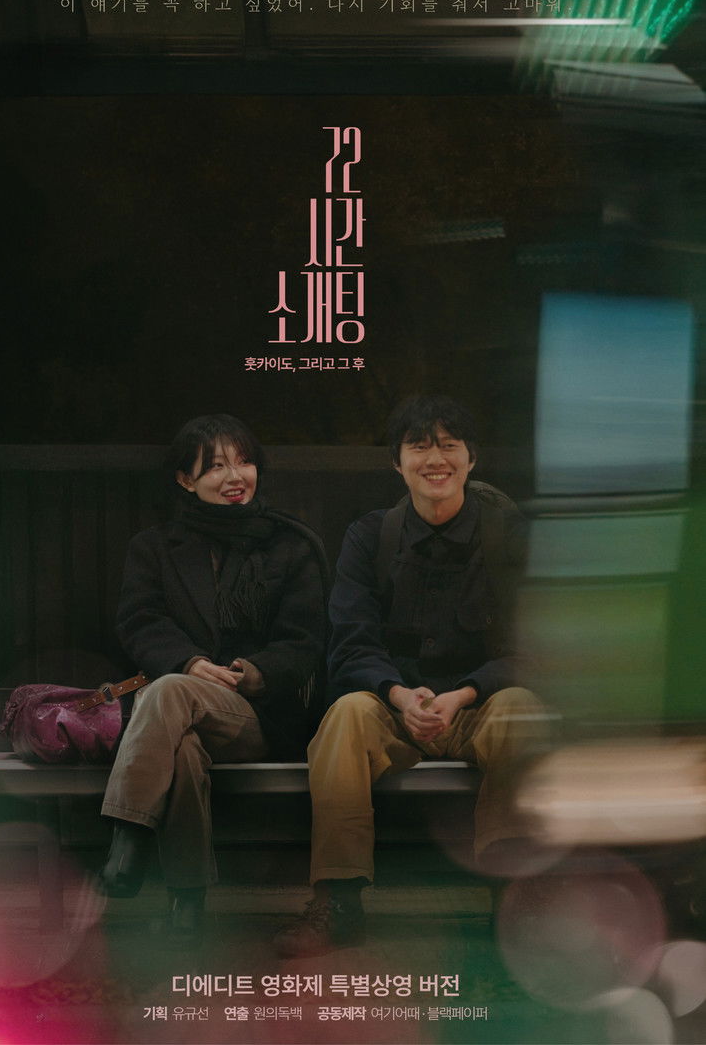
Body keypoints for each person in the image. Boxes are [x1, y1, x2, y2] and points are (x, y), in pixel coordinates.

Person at [275, 394, 545, 957]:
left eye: (449, 445)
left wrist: (464, 693)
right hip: (396, 708)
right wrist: (398, 695)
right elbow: (350, 641)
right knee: (345, 715)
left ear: (472, 458)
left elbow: (536, 647)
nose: (435, 459)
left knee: (521, 710)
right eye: (419, 446)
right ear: (396, 463)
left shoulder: (508, 536)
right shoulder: (370, 536)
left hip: (477, 707)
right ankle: (338, 901)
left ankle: (516, 903)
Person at [99, 414, 328, 934]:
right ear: (186, 479)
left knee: (167, 691)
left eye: (244, 462)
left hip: (259, 714)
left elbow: (306, 640)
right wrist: (191, 663)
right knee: (181, 745)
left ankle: (127, 835)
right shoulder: (155, 547)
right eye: (216, 466)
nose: (235, 476)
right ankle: (187, 905)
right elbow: (140, 622)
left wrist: (255, 672)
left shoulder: (290, 546)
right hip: (175, 715)